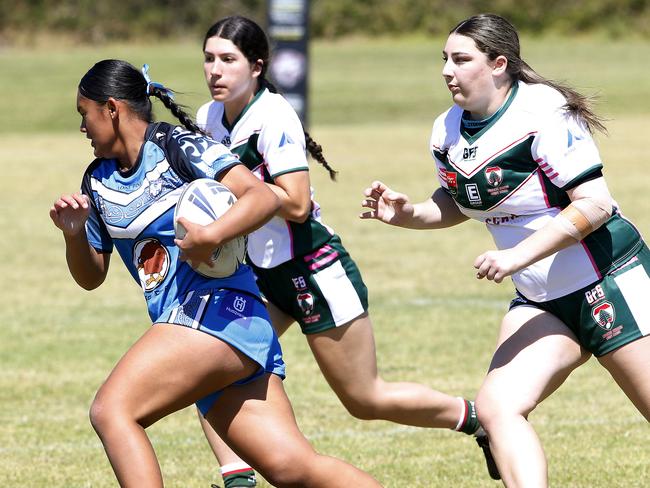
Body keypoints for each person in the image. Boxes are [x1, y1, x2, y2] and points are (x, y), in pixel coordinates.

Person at [193, 15, 495, 488]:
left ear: (257, 65)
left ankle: (480, 420)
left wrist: (243, 193)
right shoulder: (210, 118)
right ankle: (238, 480)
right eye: (209, 59)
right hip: (260, 274)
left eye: (227, 60)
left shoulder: (272, 118)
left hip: (313, 271)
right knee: (205, 366)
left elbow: (294, 204)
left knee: (364, 399)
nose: (215, 70)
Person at [49, 58, 382, 488]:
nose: (82, 128)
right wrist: (74, 235)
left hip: (218, 312)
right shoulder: (96, 180)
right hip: (202, 331)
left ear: (111, 108)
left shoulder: (178, 147)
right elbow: (91, 276)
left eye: (85, 114)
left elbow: (260, 196)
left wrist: (210, 236)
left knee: (112, 410)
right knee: (294, 469)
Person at [361, 12, 650, 488]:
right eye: (444, 59)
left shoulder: (543, 112)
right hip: (543, 299)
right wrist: (408, 213)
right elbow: (463, 202)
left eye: (460, 59)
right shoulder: (446, 129)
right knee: (497, 409)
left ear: (498, 64)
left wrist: (518, 257)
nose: (446, 70)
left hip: (609, 280)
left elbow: (595, 204)